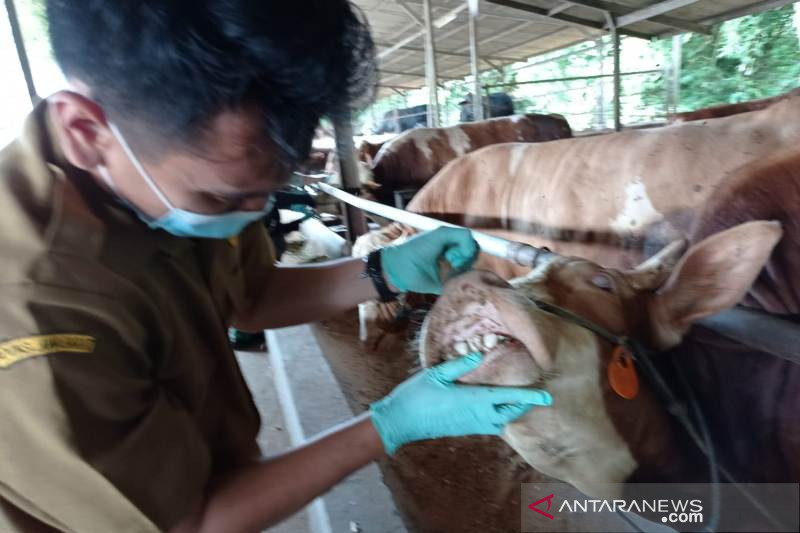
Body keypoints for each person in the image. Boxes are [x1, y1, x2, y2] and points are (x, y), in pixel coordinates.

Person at [0, 2, 552, 531]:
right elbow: (192, 523)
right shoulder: (35, 306)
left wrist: (383, 272)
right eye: (224, 199)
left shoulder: (156, 182)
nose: (252, 215)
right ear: (86, 132)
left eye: (268, 193)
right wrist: (391, 423)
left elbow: (248, 296)